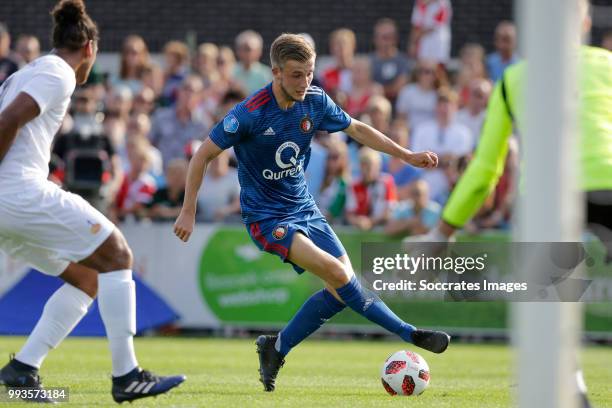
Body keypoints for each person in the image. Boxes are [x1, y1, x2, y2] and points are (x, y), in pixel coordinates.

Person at [174, 33, 449, 393]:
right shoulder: (249, 114)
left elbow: (357, 128)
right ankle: (408, 332)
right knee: (338, 274)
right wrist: (188, 210)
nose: (305, 82)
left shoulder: (315, 101)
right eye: (296, 74)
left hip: (304, 207)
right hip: (267, 217)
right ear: (275, 72)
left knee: (340, 290)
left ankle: (276, 348)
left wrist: (406, 154)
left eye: (309, 73)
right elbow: (202, 155)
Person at [418, 1, 608, 406]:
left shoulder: (515, 78)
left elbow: (486, 169)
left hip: (548, 193)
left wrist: (442, 231)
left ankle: (570, 388)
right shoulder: (609, 65)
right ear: (586, 23)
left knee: (546, 295)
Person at [0, 1, 185, 403]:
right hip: (17, 193)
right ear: (88, 48)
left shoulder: (29, 71)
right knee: (118, 253)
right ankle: (127, 376)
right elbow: (6, 121)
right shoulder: (59, 73)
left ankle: (23, 369)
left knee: (87, 278)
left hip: (7, 204)